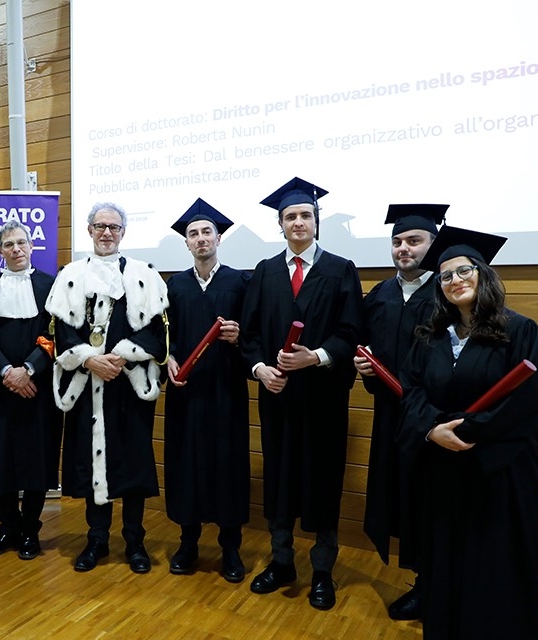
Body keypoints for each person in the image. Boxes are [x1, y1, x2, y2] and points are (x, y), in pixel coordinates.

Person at [397, 226, 538, 639]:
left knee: (493, 577)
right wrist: (431, 431)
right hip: (443, 477)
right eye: (445, 276)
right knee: (446, 569)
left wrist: (464, 432)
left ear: (483, 274)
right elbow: (411, 393)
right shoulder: (428, 339)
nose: (454, 280)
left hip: (495, 479)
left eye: (463, 271)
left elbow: (523, 405)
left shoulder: (519, 331)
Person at [240, 177, 363, 610]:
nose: (298, 222)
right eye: (290, 216)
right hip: (277, 400)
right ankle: (281, 562)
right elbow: (250, 336)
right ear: (280, 224)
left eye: (305, 216)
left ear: (316, 222)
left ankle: (323, 571)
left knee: (323, 480)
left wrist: (317, 357)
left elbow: (351, 333)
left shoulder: (341, 269)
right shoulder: (266, 271)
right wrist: (260, 370)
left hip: (324, 401)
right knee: (279, 480)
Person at [45, 202, 168, 574]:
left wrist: (122, 356)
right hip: (87, 387)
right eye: (100, 226)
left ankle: (135, 541)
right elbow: (61, 330)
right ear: (89, 230)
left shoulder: (145, 275)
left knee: (130, 464)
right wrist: (87, 358)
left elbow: (157, 329)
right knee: (92, 461)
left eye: (114, 227)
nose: (107, 233)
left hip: (129, 387)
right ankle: (97, 539)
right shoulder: (70, 275)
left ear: (123, 233)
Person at [354, 204, 446, 620]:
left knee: (430, 499)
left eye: (414, 241)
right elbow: (364, 343)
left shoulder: (447, 293)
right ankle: (423, 580)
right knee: (399, 496)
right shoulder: (381, 294)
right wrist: (363, 365)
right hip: (390, 415)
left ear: (433, 244)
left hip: (431, 417)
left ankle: (435, 585)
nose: (403, 248)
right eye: (397, 241)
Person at [163, 198, 250, 583]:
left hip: (226, 392)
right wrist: (166, 358)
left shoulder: (240, 282)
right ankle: (188, 541)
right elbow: (161, 336)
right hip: (186, 392)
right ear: (186, 242)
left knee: (227, 464)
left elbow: (257, 332)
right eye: (193, 234)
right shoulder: (175, 286)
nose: (200, 239)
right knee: (186, 464)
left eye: (206, 233)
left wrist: (239, 335)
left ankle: (231, 546)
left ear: (219, 238)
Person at [0, 220, 62, 561]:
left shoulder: (53, 287)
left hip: (38, 389)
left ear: (33, 246)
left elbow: (56, 333)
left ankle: (29, 530)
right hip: (0, 388)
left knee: (36, 459)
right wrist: (7, 372)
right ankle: (7, 527)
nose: (16, 249)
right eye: (9, 245)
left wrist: (30, 369)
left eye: (21, 242)